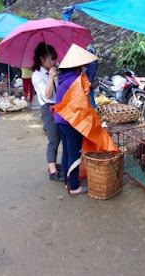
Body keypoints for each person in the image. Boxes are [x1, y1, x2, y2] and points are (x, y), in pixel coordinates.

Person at [55, 44, 98, 196]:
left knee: (66, 151)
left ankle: (68, 181)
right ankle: (74, 187)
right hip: (70, 122)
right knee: (74, 153)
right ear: (77, 65)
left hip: (60, 120)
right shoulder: (76, 81)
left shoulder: (63, 78)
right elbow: (80, 105)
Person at [31, 42, 63, 182]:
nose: (53, 61)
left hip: (57, 107)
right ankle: (52, 171)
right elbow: (48, 94)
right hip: (48, 109)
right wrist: (50, 77)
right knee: (53, 139)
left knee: (60, 136)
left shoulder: (49, 72)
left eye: (54, 58)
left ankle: (55, 164)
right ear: (42, 58)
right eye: (51, 58)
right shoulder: (37, 76)